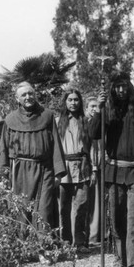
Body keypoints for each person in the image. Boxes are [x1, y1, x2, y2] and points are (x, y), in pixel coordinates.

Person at [90, 71, 134, 267]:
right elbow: (93, 133)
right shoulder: (108, 111)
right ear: (112, 89)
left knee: (133, 218)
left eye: (124, 86)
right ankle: (121, 257)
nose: (121, 90)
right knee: (117, 218)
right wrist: (100, 110)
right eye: (117, 86)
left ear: (130, 87)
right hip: (114, 171)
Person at [0, 82, 66, 231]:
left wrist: (58, 173)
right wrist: (4, 175)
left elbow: (55, 144)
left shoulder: (47, 116)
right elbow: (3, 148)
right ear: (17, 99)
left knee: (44, 210)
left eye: (30, 93)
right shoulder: (10, 120)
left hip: (44, 170)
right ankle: (26, 250)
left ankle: (45, 250)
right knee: (22, 211)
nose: (28, 97)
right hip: (20, 172)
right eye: (24, 95)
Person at [56, 89, 94, 253]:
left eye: (76, 100)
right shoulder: (58, 122)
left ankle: (80, 242)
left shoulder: (86, 121)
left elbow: (93, 148)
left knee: (81, 206)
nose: (73, 103)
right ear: (65, 102)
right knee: (63, 208)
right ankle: (65, 241)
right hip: (63, 168)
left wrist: (93, 169)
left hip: (83, 166)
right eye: (70, 100)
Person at [85, 96, 101, 246]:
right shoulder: (85, 123)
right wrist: (93, 167)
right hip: (91, 166)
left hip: (103, 166)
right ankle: (92, 234)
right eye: (91, 106)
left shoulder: (101, 123)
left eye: (97, 106)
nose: (94, 109)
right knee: (91, 202)